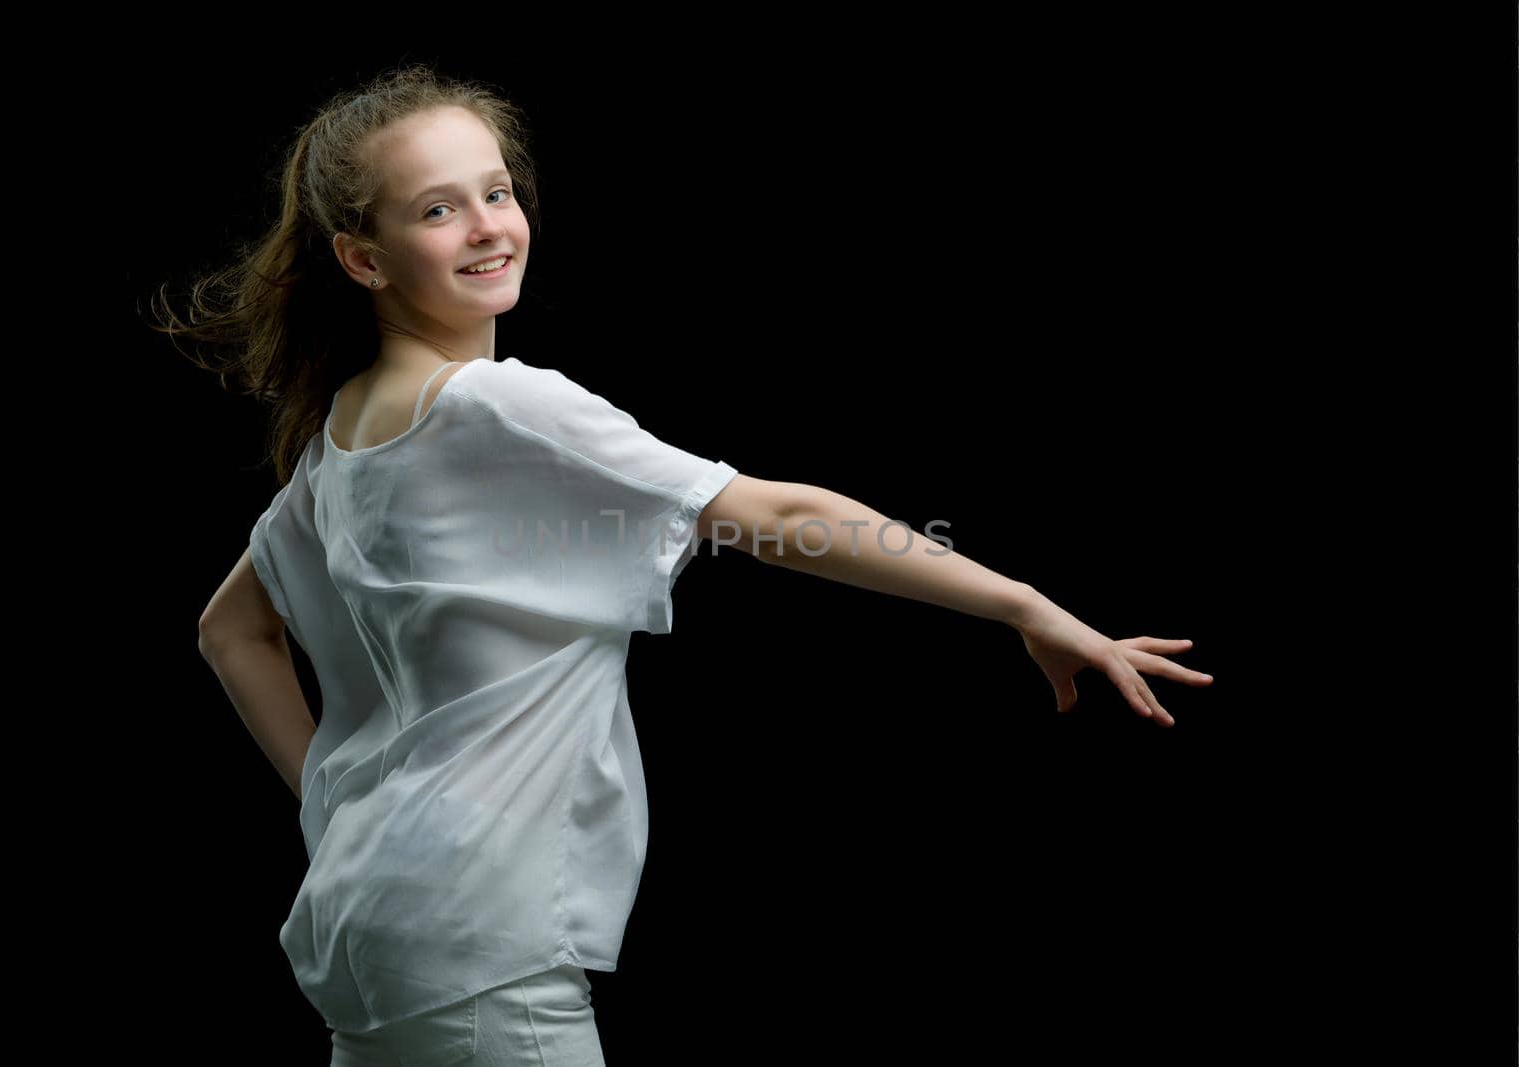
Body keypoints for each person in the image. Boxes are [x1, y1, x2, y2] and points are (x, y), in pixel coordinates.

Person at [169, 65, 1214, 1066]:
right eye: (439, 210)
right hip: (476, 934)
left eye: (497, 190)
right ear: (363, 256)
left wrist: (336, 807)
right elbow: (777, 512)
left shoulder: (338, 439)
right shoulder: (498, 405)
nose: (490, 225)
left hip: (372, 921)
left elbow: (231, 632)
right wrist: (1025, 604)